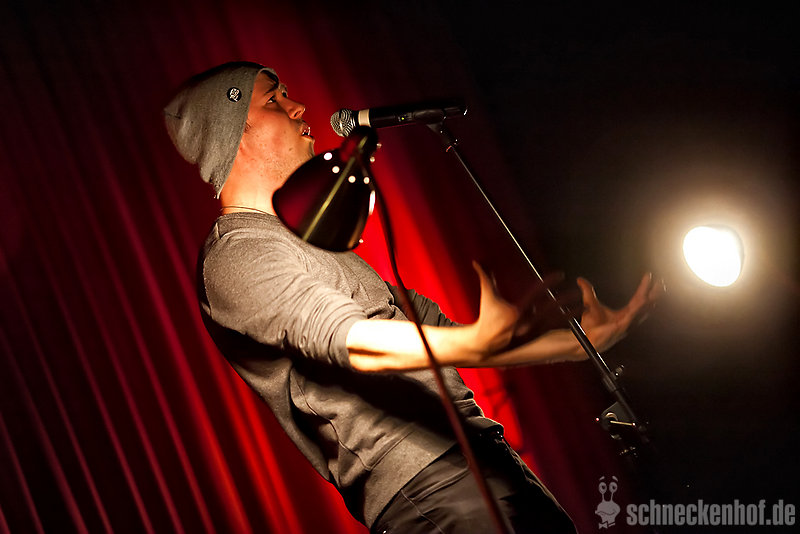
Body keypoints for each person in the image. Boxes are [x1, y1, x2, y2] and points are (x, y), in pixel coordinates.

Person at [164, 61, 662, 533]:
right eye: (275, 100)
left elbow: (446, 335)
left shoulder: (312, 243)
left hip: (483, 458)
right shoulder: (237, 254)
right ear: (234, 134)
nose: (298, 108)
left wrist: (579, 344)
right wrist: (475, 344)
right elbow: (347, 340)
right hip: (426, 486)